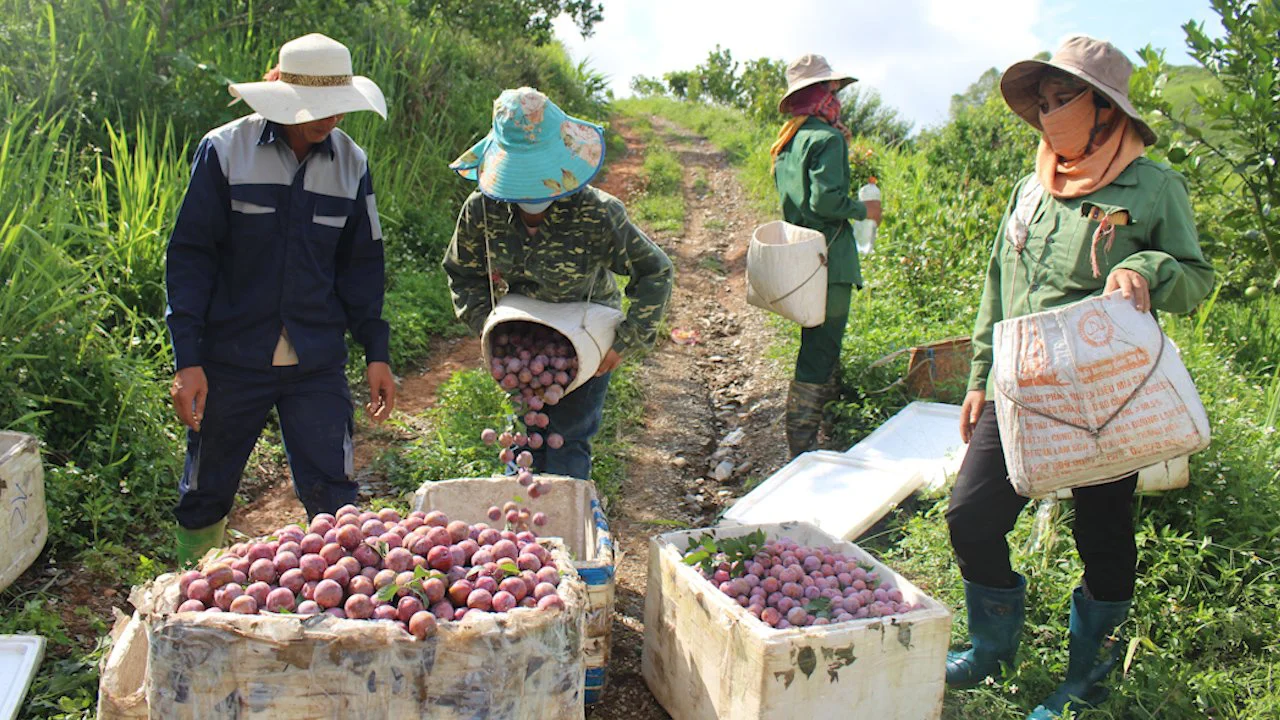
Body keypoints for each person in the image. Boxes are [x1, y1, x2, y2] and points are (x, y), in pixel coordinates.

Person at [945, 36, 1215, 719]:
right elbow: (997, 286)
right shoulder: (1031, 187)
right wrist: (979, 376)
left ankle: (1088, 680)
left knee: (1102, 531)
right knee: (970, 515)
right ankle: (992, 647)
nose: (1049, 112)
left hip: (1102, 391)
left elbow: (1196, 279)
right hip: (1021, 386)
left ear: (1103, 108)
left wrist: (1149, 271)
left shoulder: (1152, 187)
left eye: (1064, 98)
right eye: (1042, 101)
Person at [165, 33, 396, 565]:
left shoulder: (351, 164)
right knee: (206, 489)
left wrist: (376, 351)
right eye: (317, 109)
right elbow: (191, 257)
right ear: (281, 96)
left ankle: (343, 606)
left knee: (334, 495)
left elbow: (361, 264)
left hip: (315, 359)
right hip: (230, 357)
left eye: (339, 109)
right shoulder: (226, 151)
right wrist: (189, 360)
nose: (330, 120)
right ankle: (194, 587)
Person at [443, 87, 673, 481]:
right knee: (524, 437)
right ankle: (521, 530)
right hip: (520, 337)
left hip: (583, 336)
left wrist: (625, 342)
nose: (530, 192)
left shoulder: (597, 213)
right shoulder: (482, 211)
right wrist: (490, 331)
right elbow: (461, 273)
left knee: (568, 439)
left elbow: (654, 270)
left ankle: (566, 524)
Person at [771, 54, 883, 456]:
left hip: (802, 257)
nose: (837, 98)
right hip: (829, 261)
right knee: (820, 351)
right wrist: (864, 210)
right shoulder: (826, 139)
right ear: (820, 95)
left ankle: (823, 431)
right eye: (833, 91)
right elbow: (826, 201)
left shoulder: (788, 141)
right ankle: (802, 449)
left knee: (815, 343)